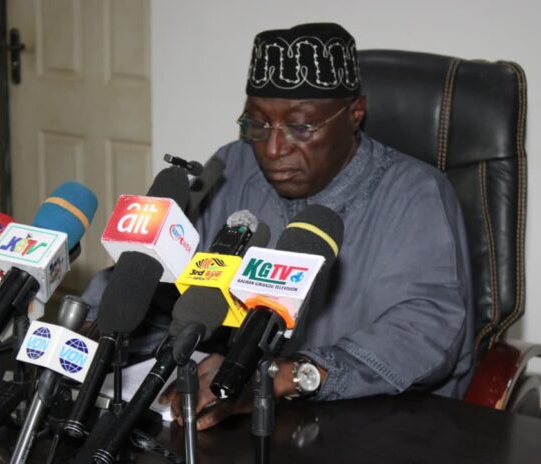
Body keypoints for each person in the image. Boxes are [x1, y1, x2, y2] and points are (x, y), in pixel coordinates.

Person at [160, 22, 474, 430]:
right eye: (258, 125)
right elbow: (171, 274)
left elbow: (425, 333)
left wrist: (286, 375)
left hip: (381, 422)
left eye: (300, 127)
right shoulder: (233, 167)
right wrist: (103, 326)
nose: (273, 148)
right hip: (243, 416)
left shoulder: (416, 193)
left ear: (355, 113)